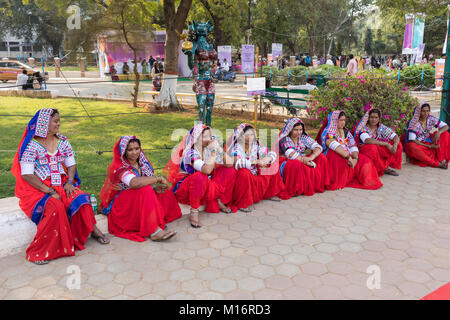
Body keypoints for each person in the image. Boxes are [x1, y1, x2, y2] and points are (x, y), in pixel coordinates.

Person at [11, 108, 109, 265]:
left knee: (81, 198)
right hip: (39, 187)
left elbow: (71, 164)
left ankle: (92, 230)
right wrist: (49, 191)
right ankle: (39, 251)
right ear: (44, 123)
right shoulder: (31, 146)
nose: (59, 124)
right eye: (55, 121)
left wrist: (70, 182)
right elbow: (27, 175)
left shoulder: (63, 142)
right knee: (55, 208)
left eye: (59, 120)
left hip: (63, 184)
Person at [99, 136, 179, 242]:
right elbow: (134, 183)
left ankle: (158, 222)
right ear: (123, 152)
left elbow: (144, 183)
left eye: (137, 148)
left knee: (161, 190)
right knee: (146, 190)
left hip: (134, 197)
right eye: (130, 150)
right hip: (121, 205)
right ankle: (153, 231)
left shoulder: (141, 163)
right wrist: (158, 178)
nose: (134, 152)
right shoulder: (119, 167)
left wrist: (155, 187)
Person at [165, 124, 237, 228]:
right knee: (200, 176)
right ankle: (194, 211)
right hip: (186, 190)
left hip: (204, 188)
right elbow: (206, 170)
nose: (209, 139)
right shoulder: (190, 153)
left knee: (229, 170)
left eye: (210, 136)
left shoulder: (207, 149)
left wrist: (219, 149)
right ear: (196, 139)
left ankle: (217, 199)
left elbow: (230, 163)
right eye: (205, 136)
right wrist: (213, 152)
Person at [225, 123, 286, 212]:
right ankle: (243, 203)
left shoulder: (255, 144)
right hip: (243, 176)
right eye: (247, 135)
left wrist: (267, 159)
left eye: (252, 135)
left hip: (255, 171)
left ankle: (270, 193)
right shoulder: (236, 147)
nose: (250, 137)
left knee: (272, 165)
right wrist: (256, 162)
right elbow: (237, 163)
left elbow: (268, 153)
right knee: (244, 173)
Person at [316, 110, 383, 190]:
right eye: (341, 120)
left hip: (348, 155)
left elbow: (352, 145)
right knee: (339, 158)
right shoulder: (329, 131)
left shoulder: (346, 132)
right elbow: (333, 145)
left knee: (365, 160)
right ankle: (337, 181)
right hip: (334, 154)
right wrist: (348, 157)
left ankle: (367, 181)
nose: (343, 122)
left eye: (344, 120)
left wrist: (355, 158)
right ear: (334, 121)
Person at [275, 118, 329, 198]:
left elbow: (318, 147)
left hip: (303, 159)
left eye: (300, 130)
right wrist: (306, 161)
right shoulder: (284, 139)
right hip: (288, 161)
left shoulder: (303, 137)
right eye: (296, 130)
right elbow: (291, 154)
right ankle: (296, 188)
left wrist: (312, 157)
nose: (299, 132)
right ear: (290, 130)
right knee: (296, 163)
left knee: (321, 157)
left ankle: (318, 185)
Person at [354, 109, 403, 176]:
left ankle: (385, 166)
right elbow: (367, 140)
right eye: (371, 117)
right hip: (366, 151)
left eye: (376, 117)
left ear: (379, 119)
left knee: (398, 145)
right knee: (373, 147)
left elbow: (395, 136)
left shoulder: (381, 127)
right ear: (368, 118)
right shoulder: (364, 128)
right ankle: (381, 168)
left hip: (378, 150)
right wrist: (386, 144)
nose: (373, 120)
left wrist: (394, 146)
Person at [404, 103, 450, 169]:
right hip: (418, 144)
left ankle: (442, 159)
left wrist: (438, 132)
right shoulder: (414, 122)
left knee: (445, 134)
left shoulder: (430, 118)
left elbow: (446, 126)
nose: (426, 113)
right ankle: (436, 164)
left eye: (427, 111)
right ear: (419, 111)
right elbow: (412, 140)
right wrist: (429, 146)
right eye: (423, 111)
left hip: (428, 140)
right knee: (411, 146)